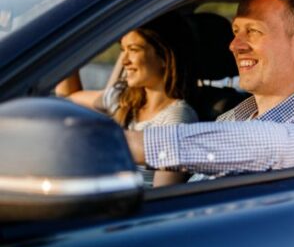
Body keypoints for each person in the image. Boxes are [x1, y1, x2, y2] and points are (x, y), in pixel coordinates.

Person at [125, 0, 294, 183]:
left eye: (253, 31)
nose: (234, 45)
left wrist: (129, 144)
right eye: (236, 31)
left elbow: (284, 144)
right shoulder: (229, 119)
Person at [56, 13, 199, 186]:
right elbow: (68, 96)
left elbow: (162, 194)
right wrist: (66, 46)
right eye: (123, 50)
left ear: (164, 57)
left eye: (133, 50)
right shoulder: (125, 100)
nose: (124, 61)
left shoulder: (177, 119)